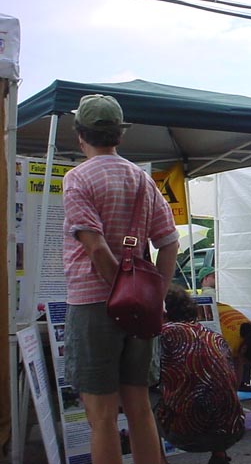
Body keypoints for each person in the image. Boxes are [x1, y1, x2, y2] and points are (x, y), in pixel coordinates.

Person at [62, 94, 179, 464]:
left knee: (102, 418)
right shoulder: (142, 179)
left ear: (80, 134)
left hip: (93, 304)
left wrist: (118, 293)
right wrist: (153, 294)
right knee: (140, 408)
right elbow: (169, 242)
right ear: (120, 134)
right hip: (141, 310)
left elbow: (96, 248)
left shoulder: (77, 178)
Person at [155, 285, 245, 464]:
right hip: (232, 430)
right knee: (213, 384)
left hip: (185, 432)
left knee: (140, 400)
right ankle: (220, 455)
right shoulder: (215, 337)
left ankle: (158, 459)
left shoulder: (163, 335)